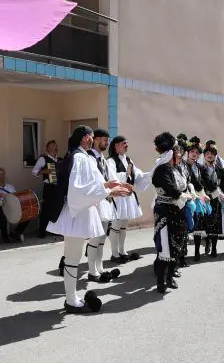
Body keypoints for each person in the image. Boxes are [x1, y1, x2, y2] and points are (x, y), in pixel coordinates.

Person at [47, 126, 130, 313]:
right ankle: (71, 301)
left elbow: (88, 184)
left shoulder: (81, 156)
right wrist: (109, 191)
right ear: (86, 138)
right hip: (76, 213)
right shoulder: (79, 157)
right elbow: (77, 189)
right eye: (92, 137)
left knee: (73, 257)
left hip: (79, 211)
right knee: (72, 258)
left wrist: (107, 185)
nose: (93, 140)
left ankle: (72, 298)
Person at [151, 132, 189, 293]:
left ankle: (170, 276)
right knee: (165, 248)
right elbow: (170, 188)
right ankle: (161, 281)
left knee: (176, 245)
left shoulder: (175, 168)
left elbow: (184, 185)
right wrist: (183, 196)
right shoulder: (162, 169)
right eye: (176, 152)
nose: (179, 154)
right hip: (165, 213)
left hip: (177, 211)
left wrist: (190, 194)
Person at [107, 136, 150, 264]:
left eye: (127, 143)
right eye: (124, 143)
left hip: (127, 196)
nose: (126, 145)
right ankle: (114, 253)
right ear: (116, 146)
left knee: (123, 226)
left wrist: (151, 174)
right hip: (118, 196)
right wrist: (126, 174)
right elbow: (111, 178)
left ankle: (122, 251)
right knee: (116, 225)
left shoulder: (128, 160)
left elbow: (138, 175)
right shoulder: (111, 161)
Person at [86, 129, 120, 282]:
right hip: (95, 202)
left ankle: (99, 268)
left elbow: (110, 178)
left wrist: (121, 187)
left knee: (101, 239)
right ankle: (92, 271)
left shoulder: (103, 159)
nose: (107, 143)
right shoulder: (90, 157)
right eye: (105, 140)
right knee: (94, 239)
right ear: (97, 140)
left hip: (106, 201)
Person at [185, 136, 210, 262]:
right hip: (186, 198)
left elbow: (205, 182)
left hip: (198, 199)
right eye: (192, 151)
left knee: (198, 226)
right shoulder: (183, 165)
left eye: (196, 152)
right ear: (188, 152)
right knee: (185, 225)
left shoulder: (200, 167)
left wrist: (205, 194)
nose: (194, 154)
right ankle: (182, 253)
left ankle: (196, 251)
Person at [32, 140, 61, 238]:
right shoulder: (43, 159)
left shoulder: (60, 160)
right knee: (46, 209)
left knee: (57, 208)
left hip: (59, 187)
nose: (55, 147)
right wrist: (45, 171)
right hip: (49, 187)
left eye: (56, 145)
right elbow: (34, 172)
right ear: (48, 148)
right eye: (52, 146)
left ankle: (54, 230)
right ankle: (42, 232)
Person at [0, 168, 30, 243]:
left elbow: (16, 198)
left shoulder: (10, 187)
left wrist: (7, 196)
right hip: (2, 207)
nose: (1, 176)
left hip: (13, 207)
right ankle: (5, 236)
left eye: (3, 174)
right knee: (2, 215)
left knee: (28, 213)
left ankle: (17, 232)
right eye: (0, 174)